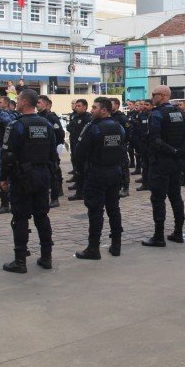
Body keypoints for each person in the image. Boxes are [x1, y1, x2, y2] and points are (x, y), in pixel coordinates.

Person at [0, 89, 56, 273]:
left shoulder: (16, 125)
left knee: (20, 217)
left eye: (18, 99)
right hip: (43, 174)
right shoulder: (46, 124)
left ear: (24, 102)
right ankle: (47, 257)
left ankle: (20, 260)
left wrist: (4, 177)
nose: (16, 101)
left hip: (22, 176)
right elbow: (53, 153)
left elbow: (8, 154)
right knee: (42, 216)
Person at [73, 97, 125, 259]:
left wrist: (82, 172)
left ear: (104, 110)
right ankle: (116, 245)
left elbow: (78, 153)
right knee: (113, 208)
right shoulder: (119, 127)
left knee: (95, 211)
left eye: (94, 107)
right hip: (115, 172)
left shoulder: (93, 128)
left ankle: (93, 248)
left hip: (97, 173)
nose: (91, 110)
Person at [141, 85, 185, 247]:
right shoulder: (181, 113)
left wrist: (172, 151)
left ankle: (159, 236)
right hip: (177, 163)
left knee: (158, 198)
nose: (152, 97)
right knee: (176, 197)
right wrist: (179, 152)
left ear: (162, 96)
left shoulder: (156, 114)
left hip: (161, 162)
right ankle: (178, 232)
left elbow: (155, 140)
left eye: (154, 94)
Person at [38, 95, 65, 207]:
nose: (37, 104)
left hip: (51, 150)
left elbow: (60, 134)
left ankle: (55, 197)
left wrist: (54, 145)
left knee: (53, 172)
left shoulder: (51, 117)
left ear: (47, 104)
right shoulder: (37, 117)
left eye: (39, 102)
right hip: (40, 150)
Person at [67, 99, 92, 201]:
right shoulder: (75, 116)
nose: (77, 107)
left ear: (85, 107)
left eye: (79, 106)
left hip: (84, 148)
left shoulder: (88, 118)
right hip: (75, 145)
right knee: (77, 169)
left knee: (84, 170)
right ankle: (79, 188)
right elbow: (70, 127)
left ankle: (83, 191)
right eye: (76, 106)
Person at [109, 97, 131, 197]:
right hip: (110, 146)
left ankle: (125, 187)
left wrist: (124, 142)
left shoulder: (121, 117)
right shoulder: (108, 116)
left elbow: (127, 131)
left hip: (120, 146)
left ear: (117, 105)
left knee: (123, 167)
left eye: (111, 104)